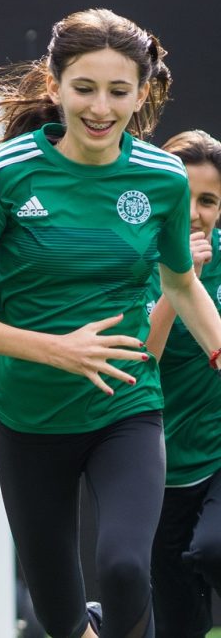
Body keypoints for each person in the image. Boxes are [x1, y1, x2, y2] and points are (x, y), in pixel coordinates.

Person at [0, 8, 221, 638]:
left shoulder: (163, 179)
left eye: (119, 91)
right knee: (61, 621)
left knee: (122, 566)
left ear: (142, 93)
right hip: (30, 419)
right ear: (53, 86)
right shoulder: (3, 176)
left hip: (127, 408)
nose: (101, 108)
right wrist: (55, 349)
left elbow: (180, 282)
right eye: (85, 88)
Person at [142, 129, 221, 638]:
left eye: (209, 200)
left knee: (215, 548)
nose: (194, 212)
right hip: (154, 473)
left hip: (218, 456)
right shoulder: (126, 260)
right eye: (182, 195)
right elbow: (139, 360)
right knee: (178, 626)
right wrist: (181, 281)